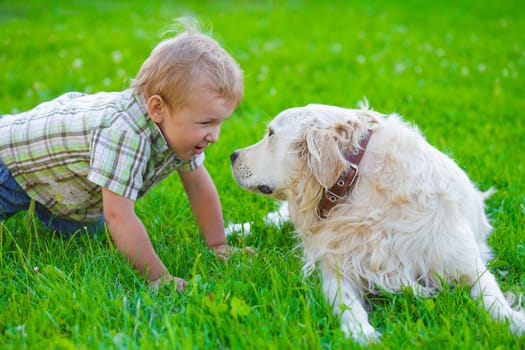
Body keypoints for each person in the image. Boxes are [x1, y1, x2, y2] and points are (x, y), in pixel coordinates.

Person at [0, 18, 248, 291]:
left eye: (219, 123)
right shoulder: (125, 133)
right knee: (115, 226)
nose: (215, 135)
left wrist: (218, 244)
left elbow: (199, 185)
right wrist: (158, 278)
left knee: (87, 234)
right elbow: (119, 215)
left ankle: (53, 210)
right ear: (157, 108)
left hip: (67, 182)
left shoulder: (178, 131)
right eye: (206, 123)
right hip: (12, 160)